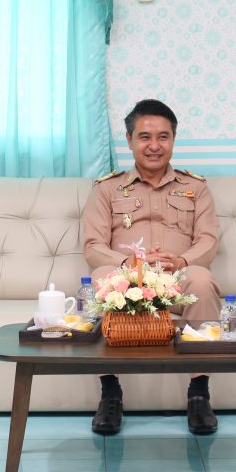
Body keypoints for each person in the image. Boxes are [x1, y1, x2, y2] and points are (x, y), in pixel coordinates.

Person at [83, 99, 223, 435]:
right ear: (129, 140)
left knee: (202, 280)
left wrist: (183, 261)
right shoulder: (107, 188)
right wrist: (126, 264)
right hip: (127, 278)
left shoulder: (196, 188)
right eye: (144, 137)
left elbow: (208, 239)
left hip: (178, 276)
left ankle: (199, 394)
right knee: (101, 279)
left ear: (173, 139)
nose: (154, 145)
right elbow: (93, 245)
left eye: (163, 137)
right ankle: (110, 395)